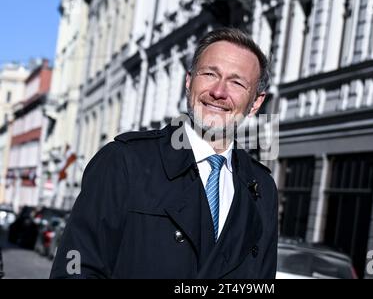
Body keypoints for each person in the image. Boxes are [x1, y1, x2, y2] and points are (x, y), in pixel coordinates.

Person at [50, 28, 278, 279]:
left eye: (236, 82)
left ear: (256, 103)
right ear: (189, 81)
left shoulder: (262, 188)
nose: (219, 92)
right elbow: (76, 266)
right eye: (210, 74)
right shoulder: (125, 161)